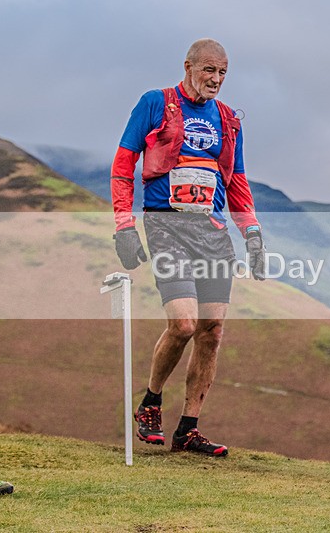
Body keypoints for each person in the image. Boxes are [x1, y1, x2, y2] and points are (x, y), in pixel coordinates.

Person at [110, 38, 265, 457]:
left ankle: (188, 429)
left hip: (212, 232)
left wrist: (252, 233)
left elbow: (238, 181)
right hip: (167, 226)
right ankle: (151, 402)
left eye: (223, 73)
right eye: (209, 70)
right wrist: (124, 225)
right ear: (189, 67)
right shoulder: (155, 103)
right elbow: (124, 163)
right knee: (183, 324)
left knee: (211, 331)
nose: (216, 79)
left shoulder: (228, 120)